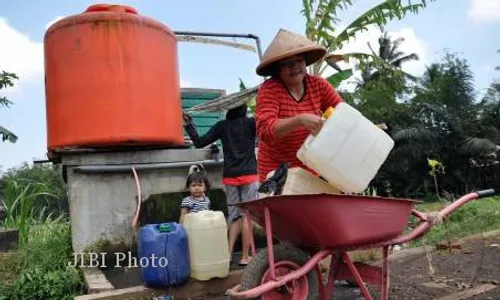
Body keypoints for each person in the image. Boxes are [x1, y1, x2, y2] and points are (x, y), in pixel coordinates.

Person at [254, 28, 345, 183]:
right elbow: (265, 130)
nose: (295, 66)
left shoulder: (318, 85)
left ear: (305, 62)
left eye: (299, 61)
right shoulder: (270, 89)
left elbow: (343, 113)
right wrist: (300, 120)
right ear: (277, 69)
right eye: (287, 64)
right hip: (275, 174)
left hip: (309, 169)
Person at [183, 104, 258, 266]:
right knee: (247, 216)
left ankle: (229, 255)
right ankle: (245, 257)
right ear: (244, 110)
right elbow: (270, 132)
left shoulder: (222, 126)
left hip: (230, 176)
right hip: (250, 175)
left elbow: (199, 142)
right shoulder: (252, 123)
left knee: (234, 216)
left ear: (229, 109)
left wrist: (189, 125)